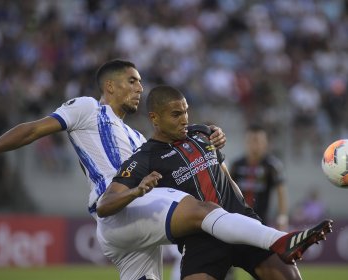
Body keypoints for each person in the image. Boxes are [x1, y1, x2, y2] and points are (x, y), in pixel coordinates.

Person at [0, 60, 330, 280]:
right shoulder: (86, 108)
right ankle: (279, 240)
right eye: (132, 81)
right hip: (118, 208)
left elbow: (191, 145)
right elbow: (35, 129)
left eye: (141, 82)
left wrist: (208, 132)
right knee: (203, 210)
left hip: (139, 216)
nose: (139, 88)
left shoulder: (138, 139)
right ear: (109, 86)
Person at [97, 85, 333, 280]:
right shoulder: (144, 158)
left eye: (186, 111)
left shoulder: (201, 133)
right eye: (176, 114)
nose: (185, 119)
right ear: (154, 118)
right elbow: (105, 205)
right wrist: (137, 191)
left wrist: (245, 209)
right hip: (200, 240)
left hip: (242, 224)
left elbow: (225, 175)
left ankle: (278, 240)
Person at [230, 123, 289, 230]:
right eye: (251, 140)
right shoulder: (236, 165)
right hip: (237, 220)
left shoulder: (272, 166)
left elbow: (281, 192)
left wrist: (282, 217)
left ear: (265, 143)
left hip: (261, 222)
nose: (254, 144)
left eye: (257, 140)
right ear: (246, 142)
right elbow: (228, 189)